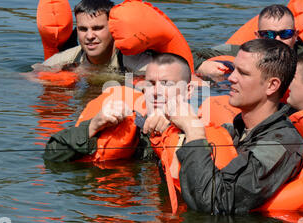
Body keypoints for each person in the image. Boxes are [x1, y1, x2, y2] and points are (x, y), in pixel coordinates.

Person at [165, 39, 303, 215]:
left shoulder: (281, 145)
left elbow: (215, 202)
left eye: (243, 73)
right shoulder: (238, 131)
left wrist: (193, 130)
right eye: (234, 69)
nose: (231, 78)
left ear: (272, 85)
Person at [43, 52, 195, 163]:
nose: (155, 92)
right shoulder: (131, 122)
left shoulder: (200, 132)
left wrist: (176, 129)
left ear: (188, 91)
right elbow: (51, 156)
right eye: (150, 84)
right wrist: (92, 127)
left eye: (166, 84)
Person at [33, 0, 152, 74]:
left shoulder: (133, 62)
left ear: (112, 28)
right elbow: (30, 77)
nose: (89, 36)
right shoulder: (69, 59)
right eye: (83, 29)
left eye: (97, 28)